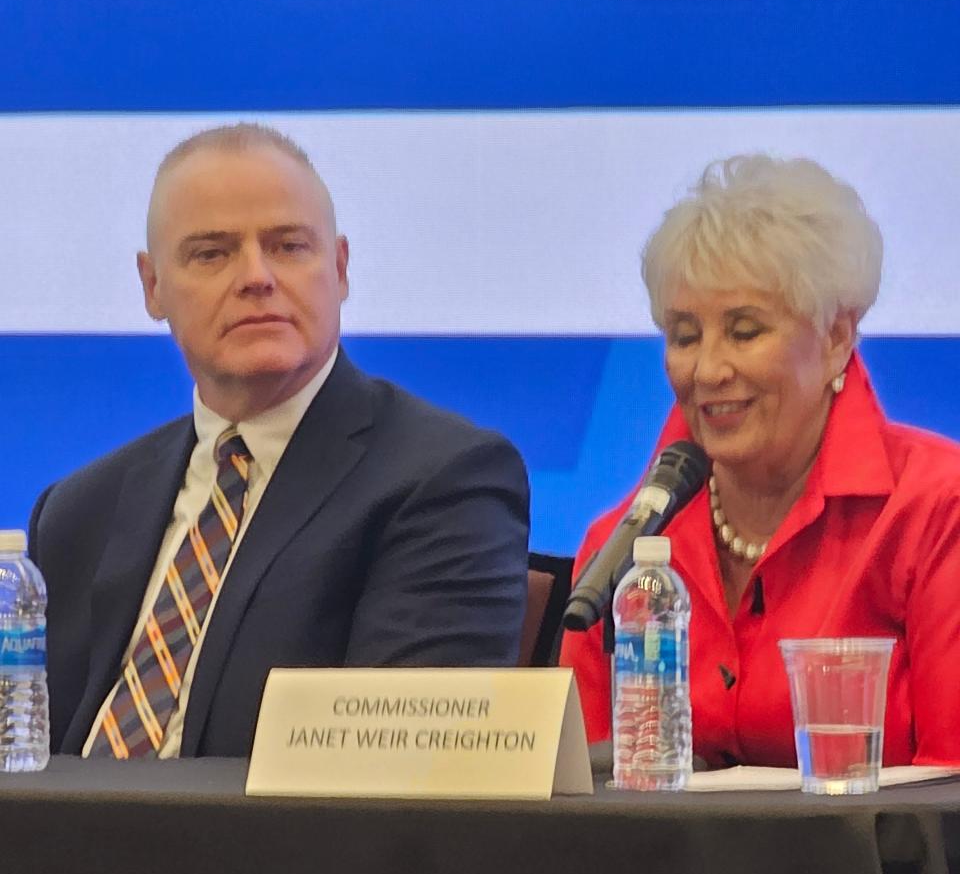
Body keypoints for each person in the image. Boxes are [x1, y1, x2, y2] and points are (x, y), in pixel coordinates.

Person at [28, 123, 530, 758]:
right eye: (212, 253)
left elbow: (402, 784)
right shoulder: (76, 512)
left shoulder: (446, 481)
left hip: (279, 854)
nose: (257, 277)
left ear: (341, 268)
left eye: (289, 247)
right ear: (152, 286)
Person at [561, 154, 960, 768]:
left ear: (835, 337)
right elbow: (579, 805)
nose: (708, 370)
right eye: (685, 336)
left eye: (744, 332)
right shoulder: (618, 553)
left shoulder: (937, 511)